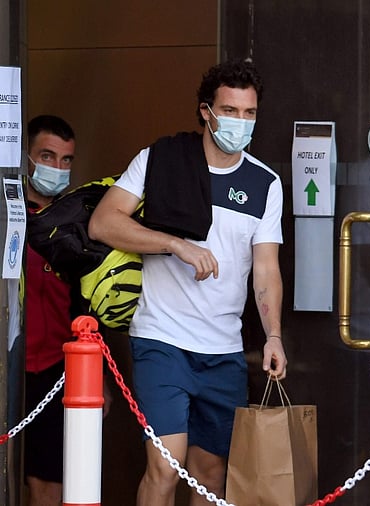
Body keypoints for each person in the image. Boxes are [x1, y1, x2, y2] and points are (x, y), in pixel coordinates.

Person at [88, 59, 286, 506]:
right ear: (206, 111)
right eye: (230, 110)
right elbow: (103, 223)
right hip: (162, 339)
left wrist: (273, 335)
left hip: (223, 349)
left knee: (210, 474)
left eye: (249, 113)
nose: (240, 122)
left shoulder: (264, 183)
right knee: (165, 465)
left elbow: (266, 269)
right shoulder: (159, 159)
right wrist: (174, 244)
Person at [22, 114, 79, 506]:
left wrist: (101, 382)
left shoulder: (77, 224)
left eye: (65, 160)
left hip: (56, 371)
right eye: (47, 156)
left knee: (50, 484)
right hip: (10, 366)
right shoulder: (9, 216)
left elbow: (86, 306)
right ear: (26, 157)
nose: (57, 168)